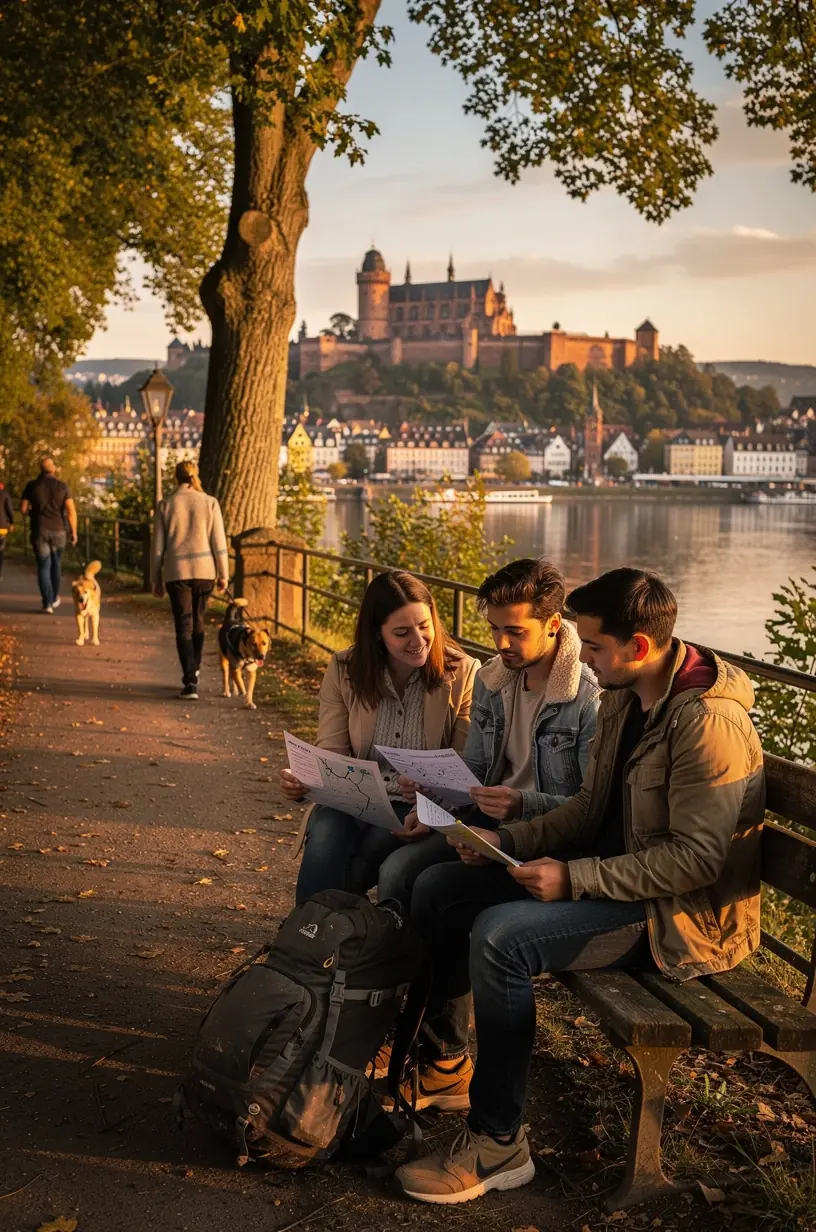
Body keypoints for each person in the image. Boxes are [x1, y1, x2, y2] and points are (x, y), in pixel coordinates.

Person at [395, 567, 765, 1205]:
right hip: (618, 885)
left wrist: (574, 877)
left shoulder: (706, 723)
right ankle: (442, 1061)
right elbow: (591, 809)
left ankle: (498, 1140)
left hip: (674, 919)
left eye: (592, 646)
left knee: (501, 937)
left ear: (639, 646)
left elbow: (697, 863)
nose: (584, 656)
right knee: (439, 888)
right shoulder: (630, 693)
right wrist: (508, 844)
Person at [379, 557, 600, 917]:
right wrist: (433, 798)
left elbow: (591, 806)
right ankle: (393, 965)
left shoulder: (588, 695)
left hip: (551, 837)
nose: (501, 642)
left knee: (433, 885)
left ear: (554, 624)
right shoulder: (492, 680)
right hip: (490, 822)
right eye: (494, 629)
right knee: (396, 871)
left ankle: (425, 970)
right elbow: (477, 768)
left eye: (515, 631)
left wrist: (521, 804)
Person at [280, 570, 478, 907]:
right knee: (327, 827)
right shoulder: (345, 669)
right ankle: (323, 935)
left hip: (420, 805)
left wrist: (430, 809)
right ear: (377, 634)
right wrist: (304, 781)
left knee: (358, 863)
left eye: (425, 626)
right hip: (355, 799)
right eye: (402, 633)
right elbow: (332, 752)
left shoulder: (463, 672)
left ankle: (313, 936)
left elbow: (464, 765)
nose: (418, 641)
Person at [150, 460, 228, 700]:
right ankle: (195, 668)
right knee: (198, 620)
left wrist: (155, 577)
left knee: (183, 623)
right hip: (205, 570)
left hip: (177, 572)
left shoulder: (166, 505)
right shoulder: (210, 502)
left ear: (176, 477)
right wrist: (223, 573)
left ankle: (190, 679)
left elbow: (157, 548)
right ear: (196, 476)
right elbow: (219, 542)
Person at [20, 457, 78, 613]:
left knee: (43, 566)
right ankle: (54, 597)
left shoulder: (32, 486)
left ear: (41, 469)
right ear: (53, 469)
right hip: (59, 530)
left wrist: (34, 514)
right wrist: (74, 531)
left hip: (40, 530)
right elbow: (71, 510)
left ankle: (47, 603)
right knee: (56, 564)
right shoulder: (62, 486)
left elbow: (23, 509)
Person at [0, 481, 13, 581]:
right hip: (2, 526)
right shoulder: (5, 495)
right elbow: (9, 509)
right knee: (0, 550)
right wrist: (11, 522)